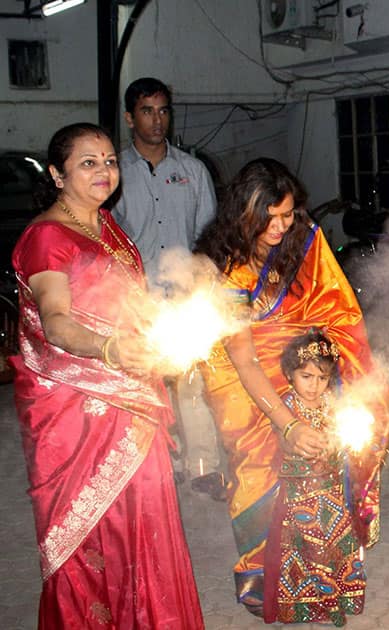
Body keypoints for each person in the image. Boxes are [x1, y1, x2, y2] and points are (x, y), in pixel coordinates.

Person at [10, 122, 203, 628]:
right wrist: (112, 349)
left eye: (109, 161)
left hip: (130, 397)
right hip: (79, 412)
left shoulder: (108, 226)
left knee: (146, 520)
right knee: (99, 533)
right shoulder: (47, 237)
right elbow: (56, 322)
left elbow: (130, 306)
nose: (104, 171)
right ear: (56, 174)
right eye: (87, 163)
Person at [195, 157, 387, 618]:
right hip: (244, 378)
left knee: (322, 470)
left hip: (304, 367)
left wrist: (328, 373)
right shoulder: (221, 263)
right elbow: (242, 359)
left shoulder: (304, 242)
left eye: (288, 214)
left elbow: (337, 310)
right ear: (244, 212)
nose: (281, 226)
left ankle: (322, 572)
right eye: (269, 218)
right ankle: (262, 577)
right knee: (258, 471)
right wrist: (285, 424)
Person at [111, 76, 222, 497]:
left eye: (163, 110)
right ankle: (158, 463)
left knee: (193, 383)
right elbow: (109, 240)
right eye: (146, 111)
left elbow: (208, 237)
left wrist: (205, 290)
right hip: (137, 301)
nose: (157, 121)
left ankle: (203, 466)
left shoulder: (192, 171)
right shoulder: (115, 173)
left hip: (184, 298)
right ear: (129, 117)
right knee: (145, 386)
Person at [262, 329, 379, 625]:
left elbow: (347, 434)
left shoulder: (332, 402)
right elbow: (285, 439)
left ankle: (342, 598)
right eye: (306, 376)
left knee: (339, 545)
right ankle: (316, 607)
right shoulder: (285, 408)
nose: (314, 386)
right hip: (300, 499)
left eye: (322, 378)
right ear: (290, 373)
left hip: (332, 494)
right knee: (311, 550)